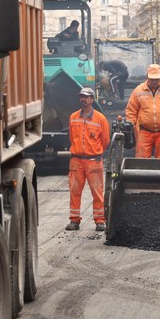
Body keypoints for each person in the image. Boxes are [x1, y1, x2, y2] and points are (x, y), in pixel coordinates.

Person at [66, 87, 110, 232]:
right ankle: (74, 220)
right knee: (74, 190)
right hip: (76, 160)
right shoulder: (73, 117)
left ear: (92, 99)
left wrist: (95, 152)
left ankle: (100, 221)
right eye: (81, 97)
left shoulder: (100, 119)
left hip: (94, 161)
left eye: (86, 97)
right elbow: (72, 138)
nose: (83, 99)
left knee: (97, 192)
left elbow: (105, 140)